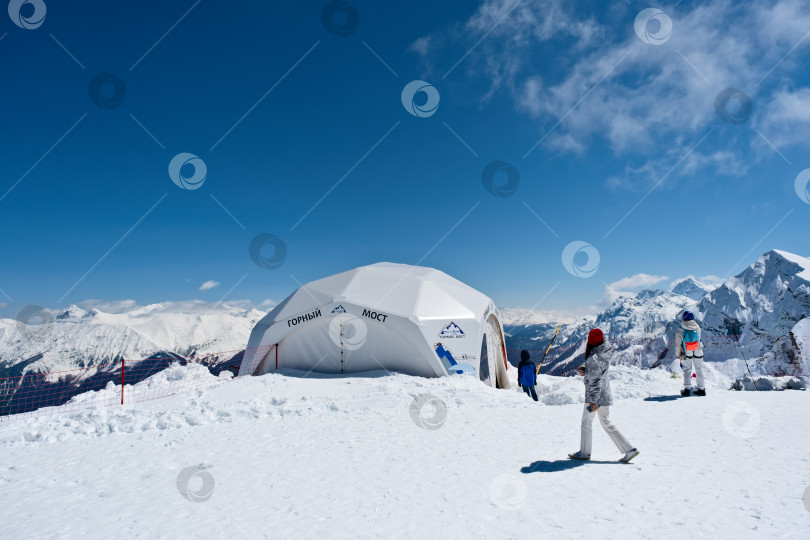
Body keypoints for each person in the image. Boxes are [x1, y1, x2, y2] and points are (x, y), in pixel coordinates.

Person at [569, 329, 639, 463]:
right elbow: (598, 372)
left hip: (594, 397)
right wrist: (586, 369)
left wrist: (593, 401)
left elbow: (595, 381)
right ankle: (629, 450)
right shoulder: (604, 352)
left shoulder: (594, 358)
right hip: (604, 395)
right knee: (606, 422)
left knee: (586, 423)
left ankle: (584, 452)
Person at [675, 311, 706, 396]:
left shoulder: (680, 329)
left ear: (683, 318)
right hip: (698, 350)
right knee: (699, 370)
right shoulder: (697, 327)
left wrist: (678, 354)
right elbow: (698, 339)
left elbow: (678, 344)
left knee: (687, 370)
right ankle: (702, 389)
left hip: (686, 352)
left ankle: (687, 390)